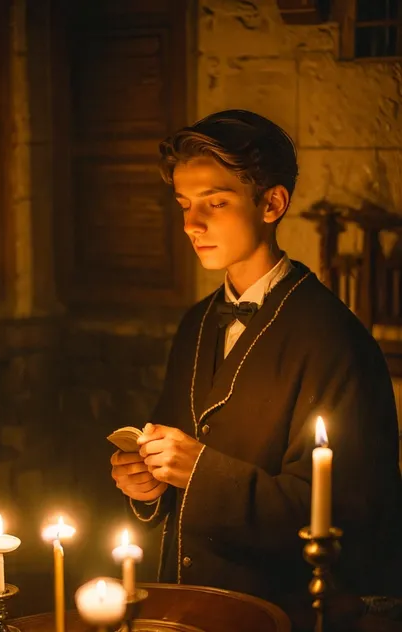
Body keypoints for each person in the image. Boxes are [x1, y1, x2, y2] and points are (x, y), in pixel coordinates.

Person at [110, 110, 402, 603]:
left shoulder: (335, 341)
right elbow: (168, 454)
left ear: (271, 203)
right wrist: (146, 485)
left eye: (215, 202)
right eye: (183, 204)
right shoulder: (196, 323)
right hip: (186, 602)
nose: (190, 224)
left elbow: (349, 515)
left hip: (279, 609)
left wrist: (201, 472)